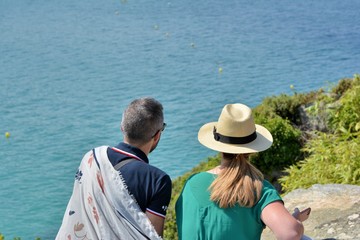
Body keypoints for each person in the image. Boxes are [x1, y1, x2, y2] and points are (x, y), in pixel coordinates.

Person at [175, 103, 310, 240]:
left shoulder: (192, 183)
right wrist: (296, 221)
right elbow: (290, 233)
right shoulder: (258, 189)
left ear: (219, 147)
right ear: (251, 150)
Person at [56, 97, 171, 240]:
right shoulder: (157, 180)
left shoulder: (91, 158)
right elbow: (152, 236)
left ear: (122, 127)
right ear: (157, 135)